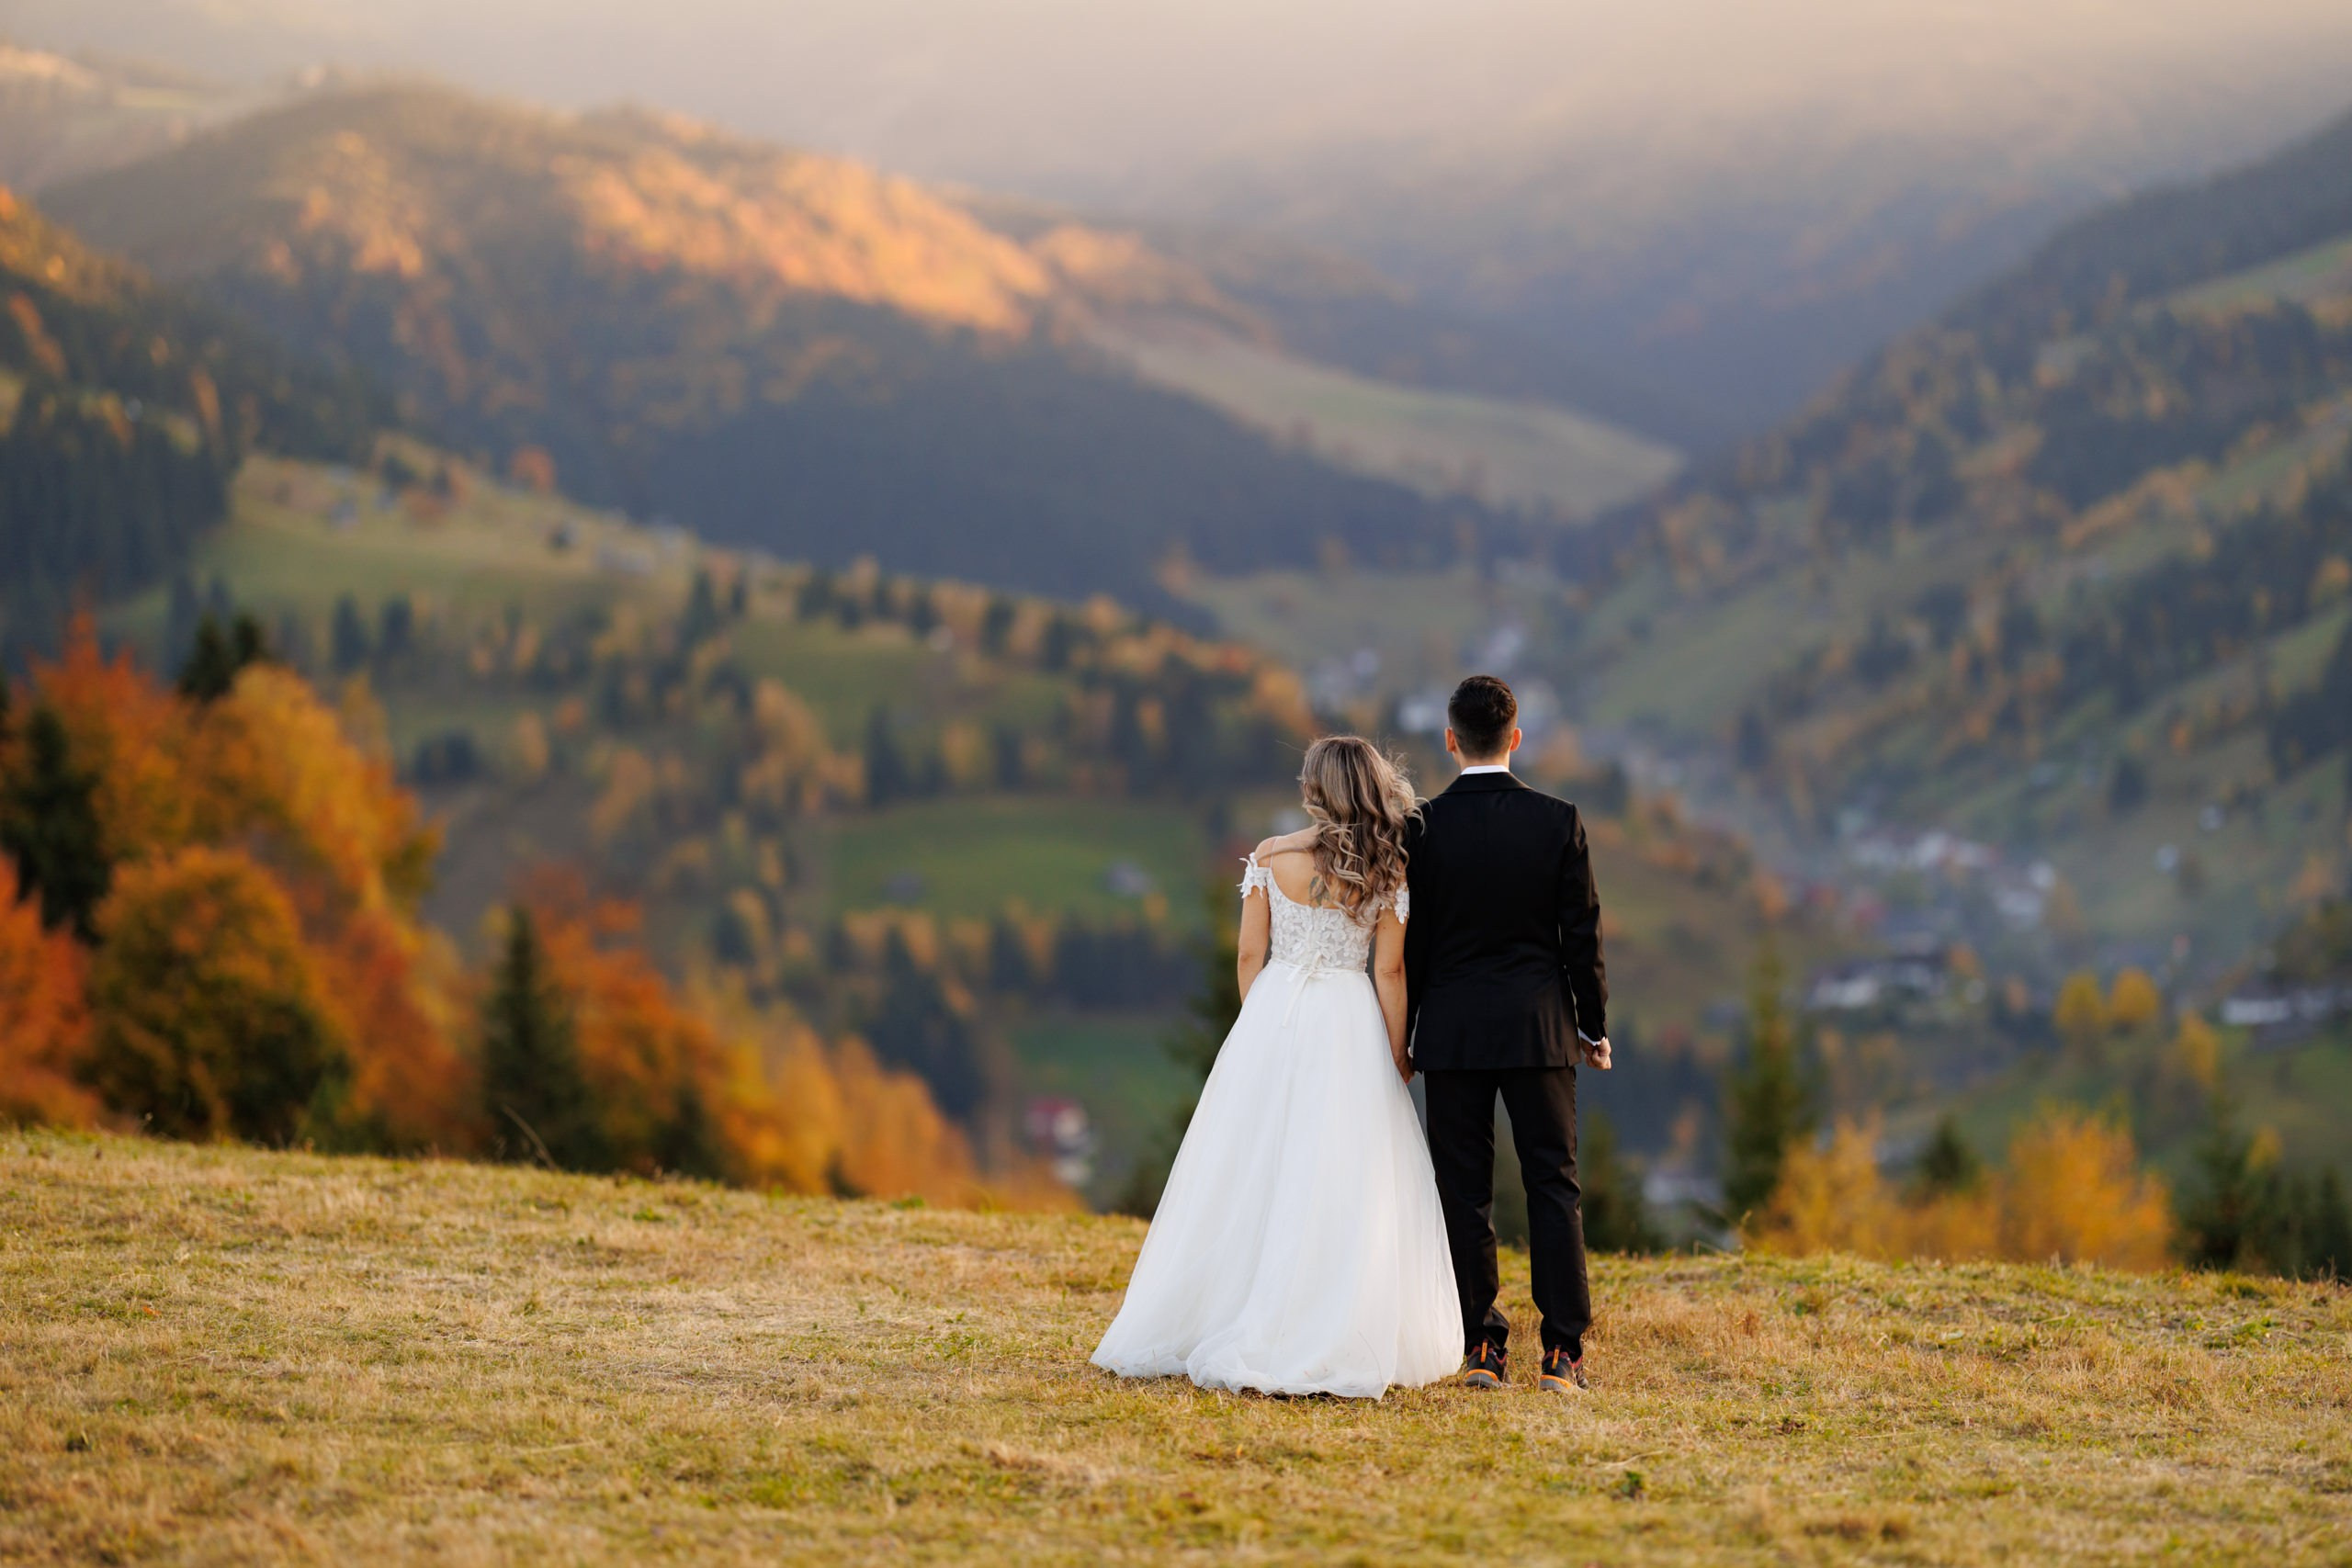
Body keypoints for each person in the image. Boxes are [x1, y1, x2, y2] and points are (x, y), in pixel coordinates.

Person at [1091, 736, 1459, 1399]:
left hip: (1278, 1010)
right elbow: (1390, 969)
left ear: (1313, 789)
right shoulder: (1388, 868)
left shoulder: (1269, 856)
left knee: (1253, 1166)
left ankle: (1226, 1307)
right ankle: (1333, 1317)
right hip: (1351, 1017)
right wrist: (1399, 1051)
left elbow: (1247, 956)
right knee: (1344, 1171)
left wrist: (1258, 1029)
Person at [1405, 674, 1611, 1394]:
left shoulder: (1422, 828)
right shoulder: (1558, 821)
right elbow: (1580, 934)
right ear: (1516, 737)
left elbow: (1414, 948)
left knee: (1464, 1191)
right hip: (1539, 1028)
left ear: (1451, 738)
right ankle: (1562, 1353)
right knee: (1553, 1184)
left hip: (1453, 1032)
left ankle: (1481, 1346)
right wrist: (1593, 1023)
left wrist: (1406, 1035)